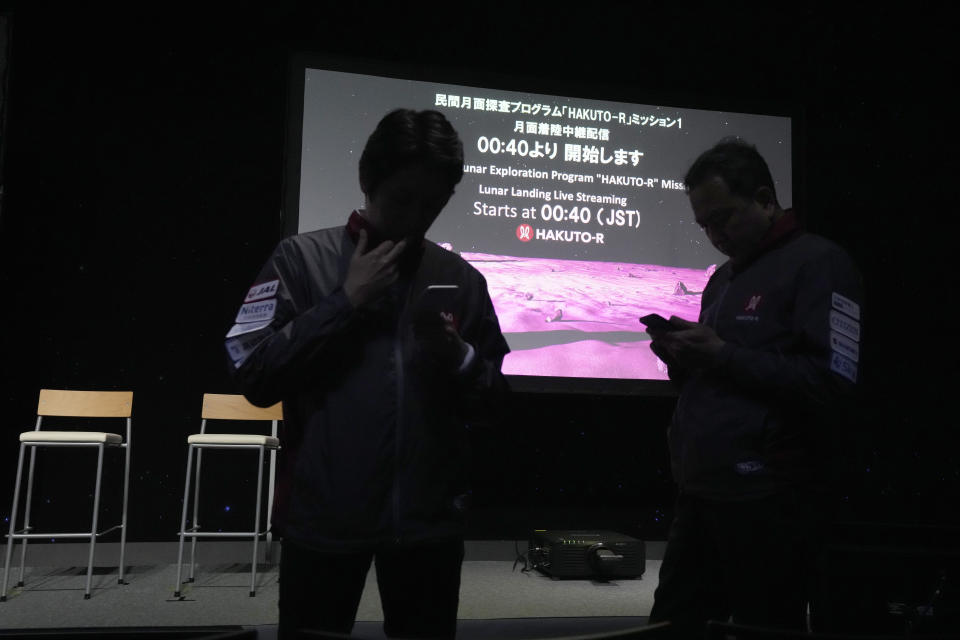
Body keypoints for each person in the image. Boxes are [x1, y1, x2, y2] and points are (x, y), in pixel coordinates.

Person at [225, 108, 509, 639]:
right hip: (323, 523)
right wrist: (345, 302)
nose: (415, 217)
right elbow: (252, 374)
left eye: (433, 205)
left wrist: (459, 359)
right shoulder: (297, 258)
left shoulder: (460, 280)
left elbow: (494, 404)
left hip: (429, 528)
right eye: (403, 199)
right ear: (366, 180)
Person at [646, 138, 863, 636]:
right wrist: (682, 359)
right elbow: (718, 376)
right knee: (669, 628)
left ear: (766, 199)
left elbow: (833, 383)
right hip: (701, 489)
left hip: (769, 502)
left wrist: (722, 355)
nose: (714, 235)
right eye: (703, 225)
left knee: (762, 628)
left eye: (723, 218)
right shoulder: (721, 280)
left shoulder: (820, 263)